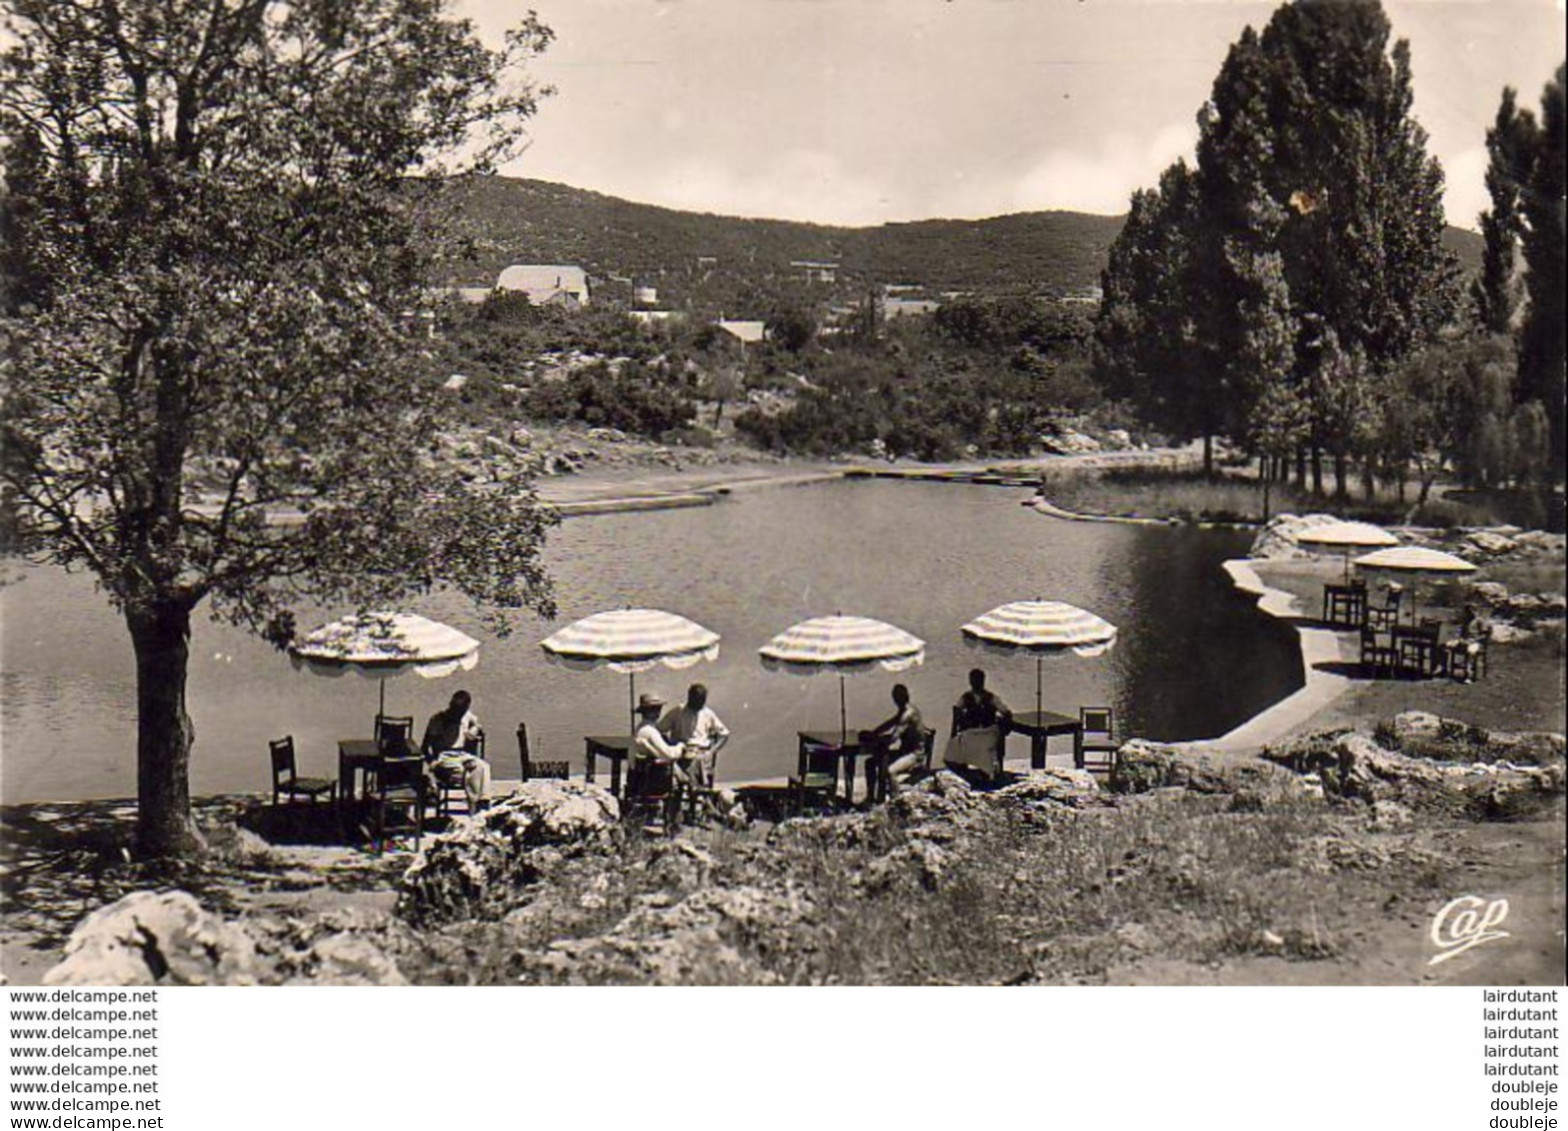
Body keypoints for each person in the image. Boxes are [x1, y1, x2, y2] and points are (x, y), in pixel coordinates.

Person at [421, 689, 491, 813]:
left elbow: (477, 724)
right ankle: (474, 804)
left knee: (484, 767)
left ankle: (483, 800)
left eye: (462, 712)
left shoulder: (467, 716)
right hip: (444, 756)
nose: (458, 715)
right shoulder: (438, 719)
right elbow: (425, 747)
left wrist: (474, 729)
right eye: (456, 711)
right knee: (469, 772)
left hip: (462, 755)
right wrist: (432, 763)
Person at [659, 683, 731, 790]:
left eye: (700, 701)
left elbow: (724, 734)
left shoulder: (708, 713)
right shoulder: (678, 711)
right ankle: (692, 785)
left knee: (697, 760)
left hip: (702, 752)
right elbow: (660, 730)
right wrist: (670, 744)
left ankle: (693, 786)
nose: (698, 704)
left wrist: (711, 751)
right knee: (687, 761)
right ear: (689, 697)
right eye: (695, 700)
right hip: (682, 751)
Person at [863, 683, 925, 801]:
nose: (896, 700)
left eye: (897, 697)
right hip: (904, 751)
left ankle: (895, 801)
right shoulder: (903, 711)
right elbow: (889, 723)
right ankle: (871, 797)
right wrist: (873, 733)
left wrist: (876, 739)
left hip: (914, 754)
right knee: (870, 763)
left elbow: (894, 737)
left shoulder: (909, 713)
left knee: (890, 770)